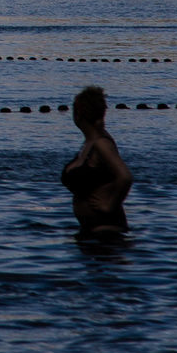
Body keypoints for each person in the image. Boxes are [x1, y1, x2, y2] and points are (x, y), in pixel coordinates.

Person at [61, 85, 133, 239]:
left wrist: (109, 205)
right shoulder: (89, 143)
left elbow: (125, 177)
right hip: (91, 230)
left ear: (79, 113)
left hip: (106, 230)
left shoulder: (101, 144)